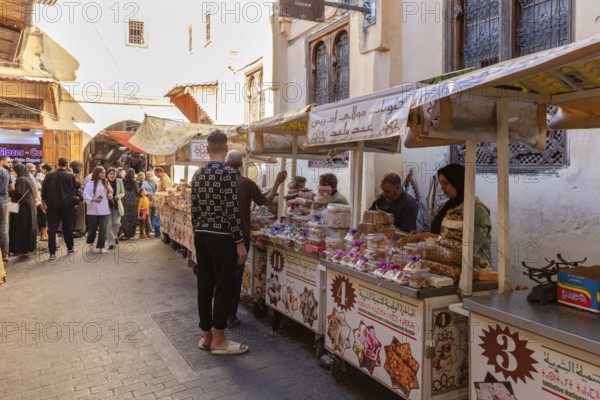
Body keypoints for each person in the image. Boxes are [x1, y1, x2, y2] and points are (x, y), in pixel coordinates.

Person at [191, 130, 248, 355]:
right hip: (223, 237)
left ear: (207, 149)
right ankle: (219, 338)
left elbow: (194, 210)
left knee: (204, 285)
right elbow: (232, 211)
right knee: (223, 287)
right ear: (225, 149)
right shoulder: (227, 174)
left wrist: (199, 231)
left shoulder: (198, 174)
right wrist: (240, 242)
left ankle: (206, 335)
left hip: (201, 235)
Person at [224, 150, 287, 328]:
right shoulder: (246, 183)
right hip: (240, 237)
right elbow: (266, 202)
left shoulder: (220, 182)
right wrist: (277, 183)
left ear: (226, 163)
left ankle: (221, 313)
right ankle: (230, 316)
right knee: (235, 277)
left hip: (222, 235)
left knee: (223, 275)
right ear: (241, 165)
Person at [413, 163, 493, 267]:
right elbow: (443, 233)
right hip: (448, 264)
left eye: (446, 183)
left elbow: (473, 248)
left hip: (475, 269)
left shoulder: (477, 210)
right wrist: (424, 236)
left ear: (458, 181)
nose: (442, 188)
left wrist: (436, 238)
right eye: (441, 184)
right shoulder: (445, 207)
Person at [41, 157, 79, 261]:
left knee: (52, 230)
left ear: (57, 164)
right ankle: (70, 248)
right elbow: (78, 185)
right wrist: (72, 174)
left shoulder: (49, 175)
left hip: (52, 206)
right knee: (68, 228)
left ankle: (52, 253)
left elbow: (44, 189)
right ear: (67, 165)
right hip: (67, 206)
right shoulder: (70, 175)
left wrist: (43, 201)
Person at [8, 164, 37, 256]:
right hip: (29, 205)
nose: (13, 173)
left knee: (21, 225)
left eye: (14, 171)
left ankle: (20, 248)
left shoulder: (21, 179)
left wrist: (9, 191)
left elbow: (19, 193)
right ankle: (28, 247)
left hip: (23, 206)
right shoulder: (27, 178)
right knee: (28, 225)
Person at [83, 167, 113, 254]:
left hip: (104, 209)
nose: (104, 174)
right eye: (101, 173)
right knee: (92, 227)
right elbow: (85, 195)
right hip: (93, 209)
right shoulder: (90, 183)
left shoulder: (106, 182)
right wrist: (93, 199)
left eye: (104, 173)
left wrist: (110, 194)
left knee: (103, 228)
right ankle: (90, 240)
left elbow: (110, 191)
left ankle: (101, 246)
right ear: (97, 173)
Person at [106, 168, 124, 250]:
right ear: (107, 175)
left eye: (113, 174)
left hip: (117, 205)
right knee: (109, 225)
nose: (112, 175)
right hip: (107, 206)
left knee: (116, 223)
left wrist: (118, 196)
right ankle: (111, 243)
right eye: (110, 174)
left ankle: (115, 236)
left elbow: (123, 192)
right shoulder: (105, 182)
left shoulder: (119, 181)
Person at [120, 168, 139, 240]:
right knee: (132, 218)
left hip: (124, 201)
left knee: (124, 218)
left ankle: (123, 232)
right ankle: (129, 234)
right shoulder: (135, 182)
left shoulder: (122, 181)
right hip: (133, 202)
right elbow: (137, 192)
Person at [0, 156, 12, 262]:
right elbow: (11, 187)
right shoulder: (7, 173)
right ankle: (5, 255)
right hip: (3, 201)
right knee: (3, 228)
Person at [36, 164, 51, 241]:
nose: (40, 169)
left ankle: (44, 235)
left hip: (42, 200)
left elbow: (41, 188)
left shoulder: (40, 176)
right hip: (42, 201)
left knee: (44, 218)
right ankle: (43, 236)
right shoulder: (40, 175)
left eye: (41, 167)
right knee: (44, 218)